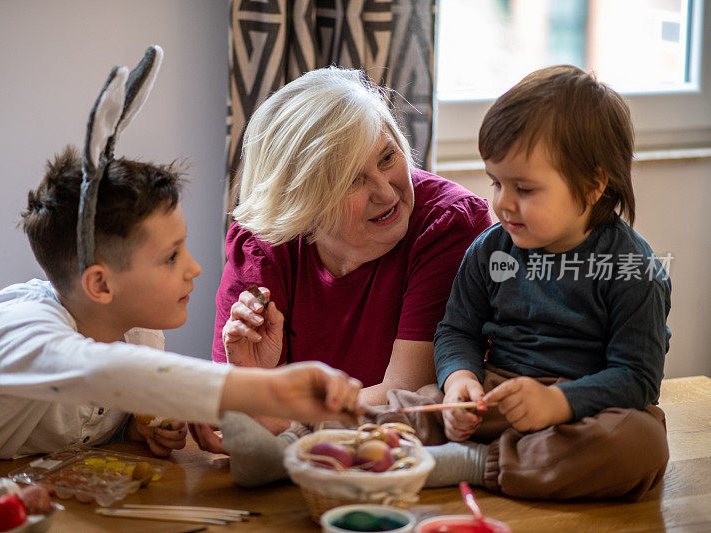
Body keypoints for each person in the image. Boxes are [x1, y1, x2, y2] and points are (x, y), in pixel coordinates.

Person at [220, 65, 671, 501]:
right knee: (407, 404)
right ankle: (288, 449)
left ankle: (477, 465)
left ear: (593, 186)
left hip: (583, 412)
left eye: (525, 189)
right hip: (490, 396)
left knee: (640, 444)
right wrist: (460, 380)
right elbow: (457, 330)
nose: (502, 204)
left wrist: (560, 403)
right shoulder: (493, 248)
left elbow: (637, 377)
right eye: (497, 182)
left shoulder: (634, 270)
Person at [0, 147, 362, 465]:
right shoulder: (11, 329)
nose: (196, 269)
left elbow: (77, 421)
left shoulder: (138, 328)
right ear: (100, 284)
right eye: (170, 257)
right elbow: (98, 371)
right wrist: (273, 389)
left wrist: (135, 431)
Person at [194, 66, 491, 452]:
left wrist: (275, 413)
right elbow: (234, 416)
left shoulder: (448, 225)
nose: (386, 192)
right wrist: (253, 376)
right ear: (302, 203)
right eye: (352, 180)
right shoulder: (261, 246)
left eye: (387, 157)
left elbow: (404, 397)